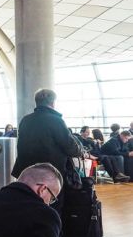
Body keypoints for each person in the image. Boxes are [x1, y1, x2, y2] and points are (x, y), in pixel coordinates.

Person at [11, 89, 82, 221]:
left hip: (26, 172)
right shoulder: (56, 120)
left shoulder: (26, 120)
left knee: (27, 203)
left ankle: (27, 234)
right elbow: (70, 147)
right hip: (49, 173)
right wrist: (80, 150)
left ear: (36, 102)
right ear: (53, 103)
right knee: (52, 207)